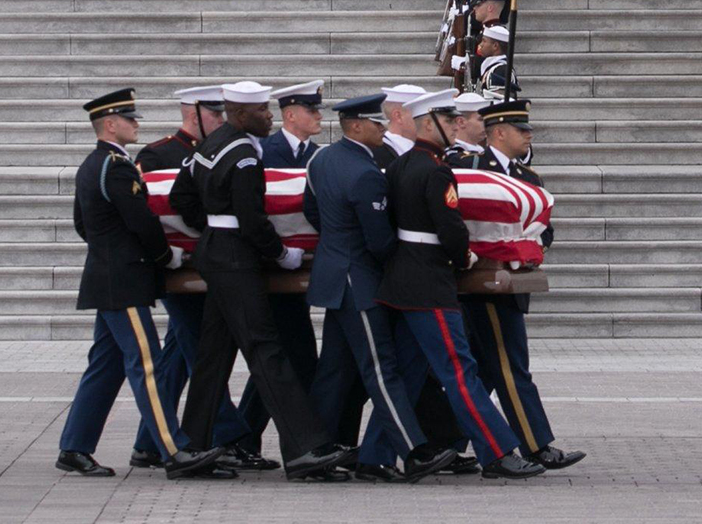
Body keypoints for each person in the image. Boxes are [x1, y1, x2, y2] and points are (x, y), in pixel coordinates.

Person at [174, 82, 353, 481]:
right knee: (266, 349)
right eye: (262, 111)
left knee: (214, 355)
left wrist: (211, 227)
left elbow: (179, 197)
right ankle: (304, 447)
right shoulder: (242, 156)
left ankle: (193, 447)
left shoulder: (210, 145)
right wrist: (280, 253)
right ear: (241, 114)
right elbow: (254, 221)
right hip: (236, 257)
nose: (269, 117)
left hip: (216, 252)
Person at [56, 89, 229, 481]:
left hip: (109, 276)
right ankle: (174, 449)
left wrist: (107, 252)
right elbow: (142, 222)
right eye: (130, 120)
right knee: (146, 364)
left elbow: (83, 224)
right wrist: (166, 257)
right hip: (125, 282)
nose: (137, 125)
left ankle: (74, 447)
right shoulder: (116, 167)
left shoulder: (92, 165)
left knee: (105, 364)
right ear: (111, 125)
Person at [377, 89, 544, 479]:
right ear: (427, 125)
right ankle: (498, 453)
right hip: (430, 284)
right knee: (459, 370)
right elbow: (450, 229)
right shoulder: (435, 170)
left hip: (401, 281)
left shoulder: (400, 166)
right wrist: (465, 257)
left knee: (406, 373)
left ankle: (375, 455)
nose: (456, 126)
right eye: (448, 121)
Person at [303, 93, 458, 485]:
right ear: (356, 126)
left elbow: (311, 209)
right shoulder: (368, 173)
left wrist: (336, 243)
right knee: (380, 368)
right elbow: (380, 242)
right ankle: (413, 450)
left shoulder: (320, 159)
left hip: (334, 275)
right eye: (376, 124)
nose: (383, 129)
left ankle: (311, 449)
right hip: (360, 281)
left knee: (334, 370)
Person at [129, 85, 259, 473]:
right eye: (216, 114)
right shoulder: (158, 154)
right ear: (194, 114)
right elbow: (154, 211)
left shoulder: (221, 149)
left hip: (212, 263)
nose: (222, 120)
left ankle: (148, 443)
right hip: (179, 270)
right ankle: (227, 433)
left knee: (178, 358)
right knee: (200, 350)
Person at [451, 98, 584, 471]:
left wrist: (530, 247)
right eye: (522, 130)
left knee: (486, 370)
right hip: (481, 280)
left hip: (513, 279)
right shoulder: (468, 168)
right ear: (499, 132)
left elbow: (545, 229)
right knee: (510, 365)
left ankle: (445, 443)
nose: (529, 136)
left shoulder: (530, 178)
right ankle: (535, 444)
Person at [233, 80, 328, 462]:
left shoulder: (320, 156)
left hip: (302, 268)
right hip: (271, 265)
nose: (319, 116)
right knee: (298, 358)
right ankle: (307, 441)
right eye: (312, 110)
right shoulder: (264, 152)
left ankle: (244, 438)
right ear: (290, 115)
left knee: (283, 358)